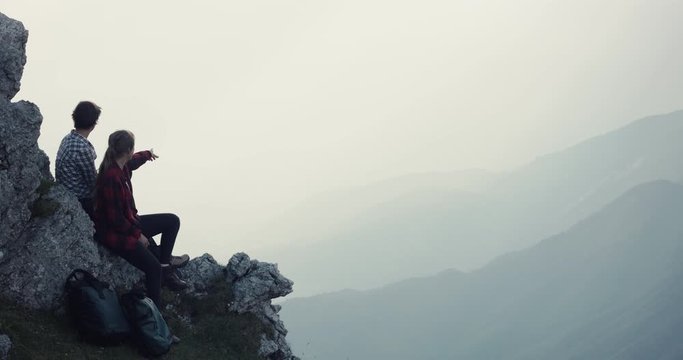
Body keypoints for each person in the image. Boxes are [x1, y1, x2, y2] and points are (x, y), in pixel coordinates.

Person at [94, 130, 188, 307]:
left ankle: (166, 268)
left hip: (128, 222)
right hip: (114, 234)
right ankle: (156, 316)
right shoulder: (111, 177)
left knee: (172, 221)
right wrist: (138, 235)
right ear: (128, 150)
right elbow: (115, 220)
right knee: (152, 268)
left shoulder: (122, 165)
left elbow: (135, 161)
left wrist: (147, 154)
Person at [56, 101, 101, 220]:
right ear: (93, 124)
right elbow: (93, 183)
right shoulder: (82, 148)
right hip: (81, 201)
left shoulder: (68, 138)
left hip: (65, 193)